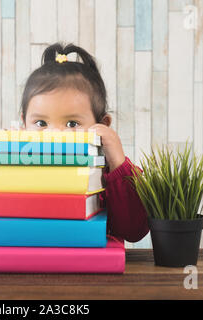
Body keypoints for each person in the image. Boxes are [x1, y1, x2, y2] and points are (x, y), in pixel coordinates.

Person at [17, 42, 149, 243]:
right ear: (23, 125)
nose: (55, 134)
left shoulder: (107, 171)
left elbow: (133, 230)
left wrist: (117, 162)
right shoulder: (18, 163)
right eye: (41, 123)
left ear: (101, 125)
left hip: (94, 268)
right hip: (33, 264)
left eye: (72, 123)